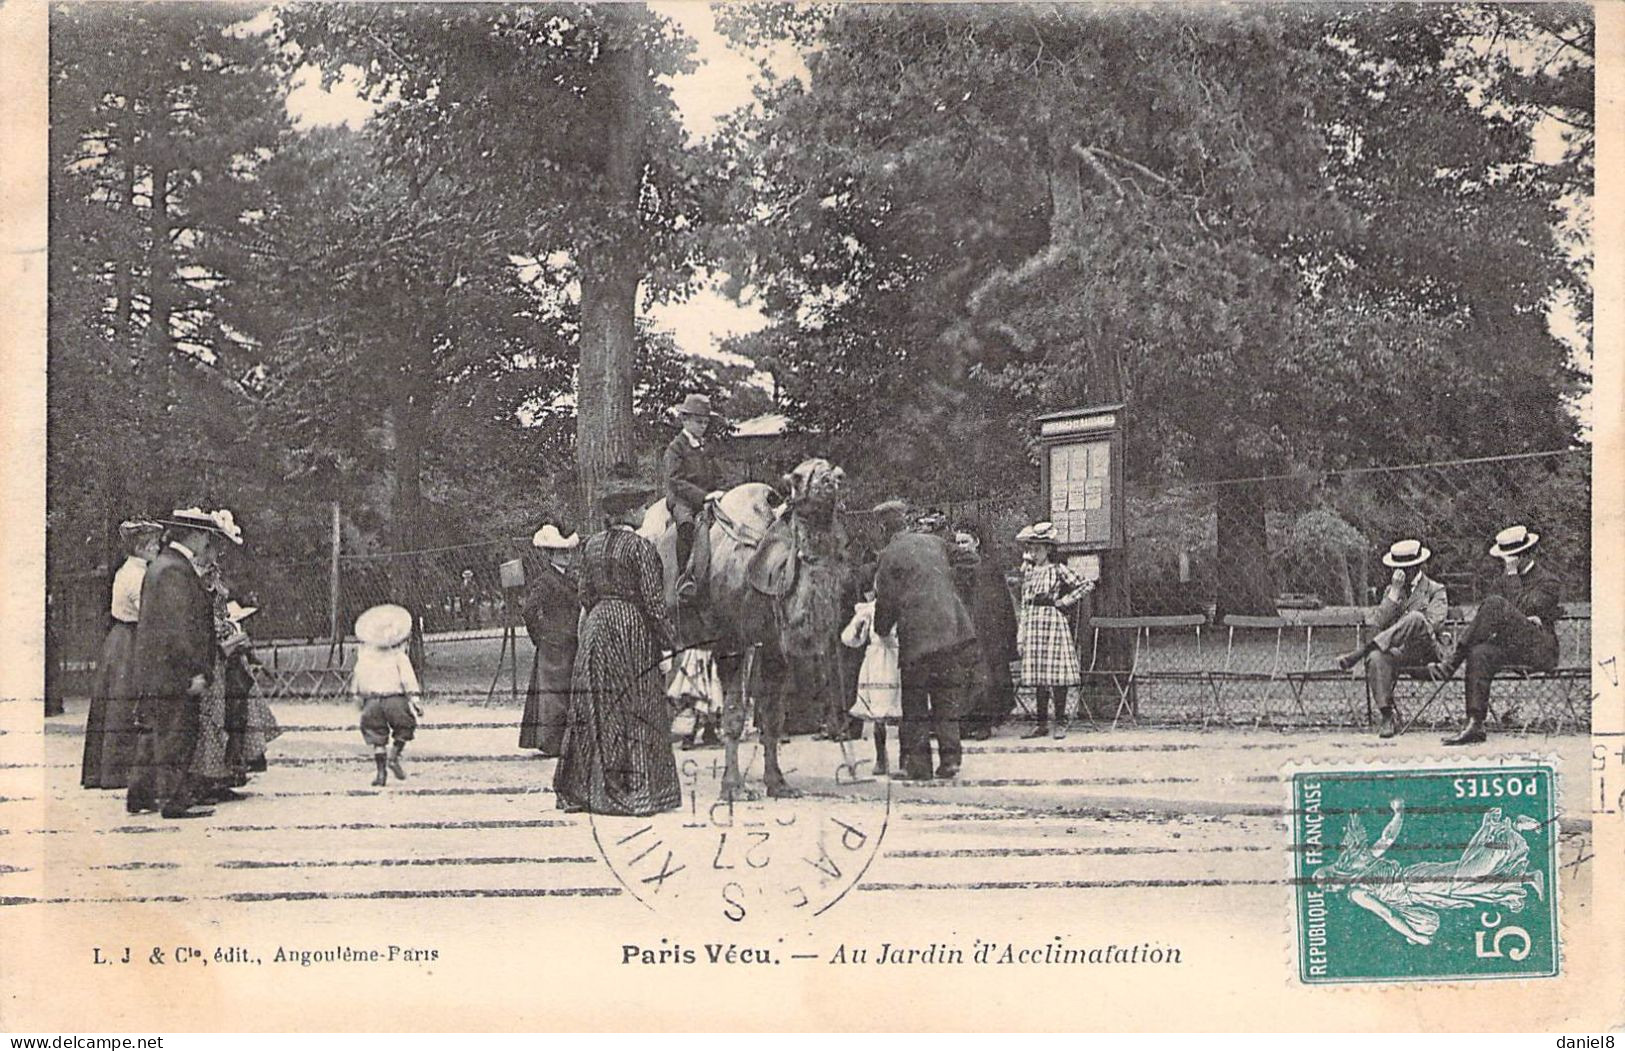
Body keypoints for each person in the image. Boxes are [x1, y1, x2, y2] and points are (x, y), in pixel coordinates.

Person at [555, 465, 682, 816]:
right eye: (641, 508)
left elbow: (584, 594)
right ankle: (637, 790)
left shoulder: (590, 546)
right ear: (628, 512)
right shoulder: (640, 548)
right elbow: (654, 602)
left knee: (594, 704)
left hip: (597, 627)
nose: (645, 512)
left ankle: (584, 789)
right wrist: (670, 642)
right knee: (635, 703)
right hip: (631, 627)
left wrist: (599, 617)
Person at [126, 507, 244, 819]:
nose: (207, 541)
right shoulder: (175, 570)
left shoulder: (165, 565)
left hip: (157, 669)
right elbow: (180, 628)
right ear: (192, 535)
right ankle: (173, 801)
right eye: (204, 534)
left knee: (156, 732)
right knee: (176, 733)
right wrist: (194, 670)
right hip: (173, 671)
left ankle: (141, 796)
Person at [1313, 799, 1545, 946]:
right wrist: (1399, 813)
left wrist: (1416, 937)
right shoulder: (1356, 865)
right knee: (1474, 887)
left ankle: (1508, 830)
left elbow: (1387, 914)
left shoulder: (1356, 891)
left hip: (1418, 884)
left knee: (1469, 875)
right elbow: (1386, 839)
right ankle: (1527, 876)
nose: (1331, 889)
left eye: (1328, 884)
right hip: (1418, 887)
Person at [1427, 525, 1561, 746]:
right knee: (1479, 652)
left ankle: (1451, 662)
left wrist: (1511, 575)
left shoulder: (1548, 582)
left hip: (1539, 650)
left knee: (1496, 603)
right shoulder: (1503, 581)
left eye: (1512, 558)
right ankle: (1475, 724)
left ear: (1527, 554)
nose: (1507, 563)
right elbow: (1492, 617)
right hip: (1511, 647)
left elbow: (1518, 609)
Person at [874, 512, 979, 781]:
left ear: (885, 529)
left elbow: (885, 600)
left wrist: (882, 630)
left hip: (917, 637)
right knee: (946, 699)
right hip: (949, 632)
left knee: (916, 702)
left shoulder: (889, 554)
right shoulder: (935, 542)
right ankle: (951, 760)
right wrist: (950, 586)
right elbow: (971, 559)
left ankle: (918, 767)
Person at [1332, 539, 1449, 739]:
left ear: (1417, 566)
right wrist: (1394, 594)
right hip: (1399, 653)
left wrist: (1403, 624)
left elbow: (1434, 623)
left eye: (1405, 567)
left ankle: (1360, 653)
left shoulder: (1435, 589)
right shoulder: (1391, 591)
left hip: (1426, 651)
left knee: (1416, 618)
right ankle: (1387, 716)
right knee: (1377, 657)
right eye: (1398, 567)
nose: (1401, 572)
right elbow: (1377, 624)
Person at [81, 520, 164, 789]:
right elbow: (148, 613)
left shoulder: (128, 570)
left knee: (117, 703)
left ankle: (109, 769)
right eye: (153, 544)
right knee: (125, 703)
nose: (157, 548)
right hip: (130, 639)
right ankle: (119, 772)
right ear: (141, 547)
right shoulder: (137, 575)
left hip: (120, 639)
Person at [1015, 521, 1092, 739]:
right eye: (1031, 548)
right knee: (1039, 674)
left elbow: (1085, 585)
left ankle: (1060, 721)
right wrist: (1022, 634)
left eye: (1038, 548)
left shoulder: (1058, 570)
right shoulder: (1029, 573)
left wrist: (1064, 601)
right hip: (1033, 623)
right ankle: (1041, 723)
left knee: (1056, 673)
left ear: (1049, 549)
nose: (1034, 552)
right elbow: (1024, 603)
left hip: (1053, 623)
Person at [951, 525, 1020, 741]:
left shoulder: (989, 568)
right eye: (958, 542)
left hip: (988, 633)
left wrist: (1006, 635)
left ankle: (984, 723)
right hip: (963, 632)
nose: (961, 546)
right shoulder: (954, 569)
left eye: (965, 541)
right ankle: (965, 722)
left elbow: (1001, 603)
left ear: (976, 542)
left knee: (987, 677)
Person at [519, 523, 581, 757]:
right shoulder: (546, 580)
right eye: (560, 552)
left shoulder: (571, 578)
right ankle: (551, 741)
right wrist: (541, 636)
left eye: (568, 552)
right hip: (553, 645)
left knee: (568, 690)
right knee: (552, 694)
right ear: (550, 555)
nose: (566, 556)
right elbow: (529, 610)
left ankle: (567, 740)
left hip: (571, 642)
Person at [351, 603, 423, 787]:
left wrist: (358, 697)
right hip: (394, 699)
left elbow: (358, 677)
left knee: (376, 735)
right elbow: (408, 679)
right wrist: (414, 699)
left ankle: (380, 772)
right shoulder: (398, 656)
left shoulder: (365, 657)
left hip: (372, 701)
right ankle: (394, 755)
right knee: (406, 726)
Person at [663, 393, 724, 604]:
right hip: (682, 499)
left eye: (706, 422)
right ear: (685, 420)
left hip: (708, 497)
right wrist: (704, 496)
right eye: (698, 422)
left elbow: (718, 473)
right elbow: (675, 481)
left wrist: (722, 490)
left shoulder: (706, 447)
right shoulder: (676, 447)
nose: (703, 426)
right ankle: (684, 577)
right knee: (686, 525)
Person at [841, 574, 902, 775]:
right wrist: (859, 631)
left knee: (899, 708)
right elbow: (849, 638)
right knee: (878, 712)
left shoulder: (902, 606)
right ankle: (881, 757)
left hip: (895, 658)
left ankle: (903, 757)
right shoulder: (868, 610)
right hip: (878, 660)